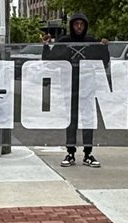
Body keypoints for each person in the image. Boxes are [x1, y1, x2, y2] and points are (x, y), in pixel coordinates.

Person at [45, 13, 108, 168]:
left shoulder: (91, 41)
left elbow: (103, 62)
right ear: (72, 25)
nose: (79, 27)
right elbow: (51, 61)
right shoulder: (64, 41)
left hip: (87, 86)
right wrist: (46, 46)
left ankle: (88, 153)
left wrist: (105, 48)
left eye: (81, 24)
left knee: (88, 119)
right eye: (76, 24)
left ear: (85, 25)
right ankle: (70, 152)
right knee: (71, 120)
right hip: (69, 86)